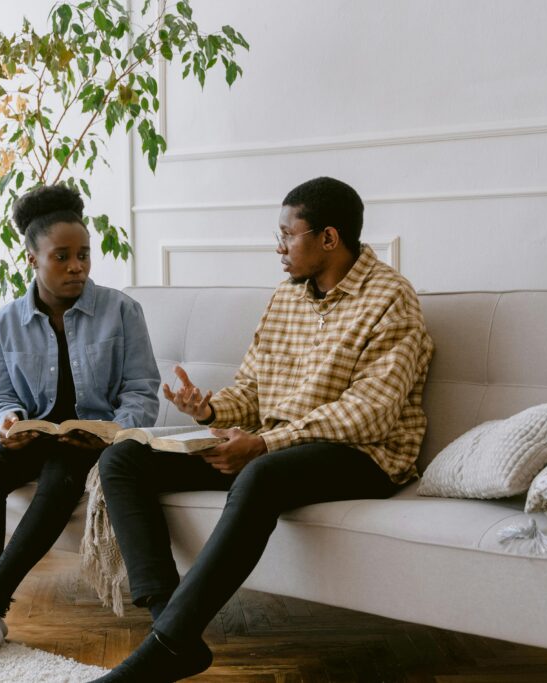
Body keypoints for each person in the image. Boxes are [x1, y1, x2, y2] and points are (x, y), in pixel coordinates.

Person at [91, 177, 435, 682]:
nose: (278, 248)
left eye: (286, 235)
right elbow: (254, 389)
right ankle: (171, 627)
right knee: (123, 458)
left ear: (329, 238)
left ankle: (163, 649)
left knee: (261, 475)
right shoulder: (286, 297)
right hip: (276, 446)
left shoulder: (391, 299)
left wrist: (265, 442)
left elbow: (371, 413)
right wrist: (209, 411)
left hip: (365, 456)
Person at [0, 184, 160, 651]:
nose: (77, 267)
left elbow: (142, 391)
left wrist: (112, 434)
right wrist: (6, 421)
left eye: (84, 255)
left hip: (91, 443)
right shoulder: (5, 321)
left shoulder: (122, 311)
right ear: (32, 258)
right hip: (33, 436)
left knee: (61, 472)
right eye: (62, 256)